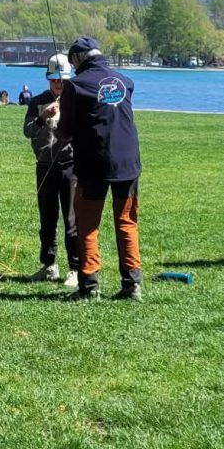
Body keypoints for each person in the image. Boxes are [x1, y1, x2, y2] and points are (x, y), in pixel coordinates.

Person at [58, 36, 143, 301]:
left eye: (72, 62)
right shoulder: (125, 81)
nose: (72, 68)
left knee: (87, 224)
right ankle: (132, 285)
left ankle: (90, 286)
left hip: (94, 163)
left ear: (78, 58)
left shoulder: (75, 86)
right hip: (128, 162)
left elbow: (64, 131)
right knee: (127, 222)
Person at [21, 53, 80, 288]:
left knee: (71, 219)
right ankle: (49, 265)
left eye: (62, 79)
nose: (59, 83)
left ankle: (75, 268)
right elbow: (27, 131)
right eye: (55, 79)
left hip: (69, 166)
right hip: (45, 166)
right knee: (47, 218)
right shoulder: (37, 101)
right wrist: (42, 117)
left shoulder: (74, 101)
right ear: (48, 79)